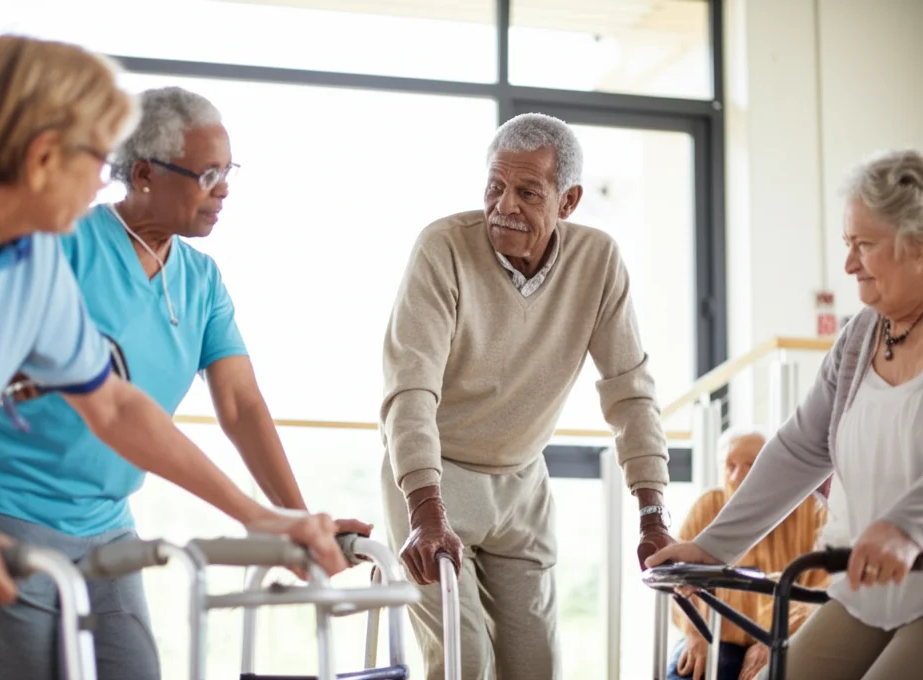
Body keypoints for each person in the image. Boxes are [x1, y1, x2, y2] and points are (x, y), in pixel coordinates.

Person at [0, 36, 344, 680]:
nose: (100, 184)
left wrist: (265, 516)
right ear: (42, 153)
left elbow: (111, 405)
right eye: (98, 159)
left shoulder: (34, 258)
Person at [380, 112, 674, 680]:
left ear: (568, 201)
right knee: (462, 662)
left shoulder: (599, 262)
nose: (503, 206)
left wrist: (652, 513)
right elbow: (409, 386)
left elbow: (630, 391)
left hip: (522, 485)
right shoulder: (442, 249)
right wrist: (425, 508)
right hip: (434, 481)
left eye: (527, 191)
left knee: (535, 663)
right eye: (495, 186)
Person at [649, 148, 923, 680]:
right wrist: (713, 545)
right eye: (848, 244)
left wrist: (906, 526)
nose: (848, 265)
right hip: (866, 587)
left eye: (864, 246)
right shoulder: (861, 337)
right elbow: (800, 447)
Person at [667, 428, 827, 680]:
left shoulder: (810, 510)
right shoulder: (708, 506)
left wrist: (776, 639)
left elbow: (824, 590)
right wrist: (697, 633)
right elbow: (682, 580)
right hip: (716, 636)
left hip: (789, 636)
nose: (736, 476)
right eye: (730, 466)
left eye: (749, 466)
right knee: (691, 671)